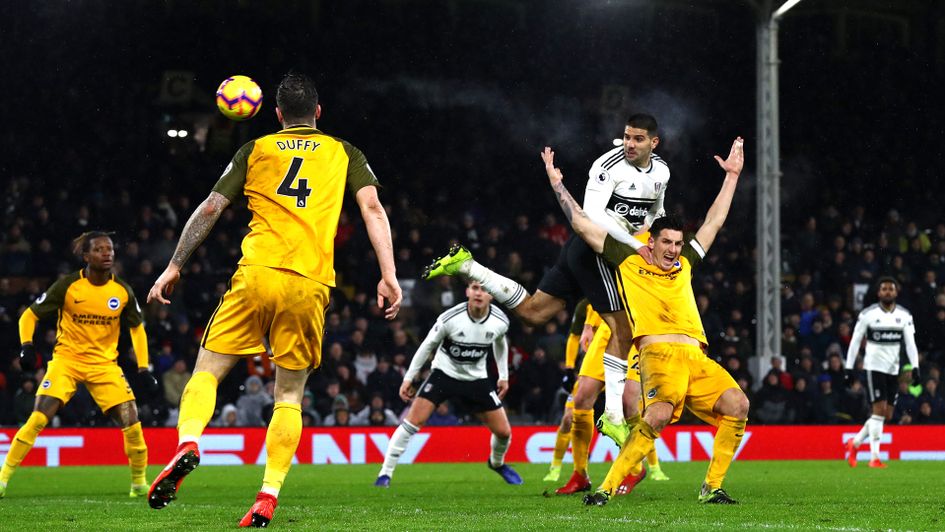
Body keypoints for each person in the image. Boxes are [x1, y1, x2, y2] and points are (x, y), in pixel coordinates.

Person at [146, 72, 402, 528]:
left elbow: (210, 207)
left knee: (207, 371)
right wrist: (388, 274)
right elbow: (373, 208)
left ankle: (187, 441)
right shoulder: (345, 152)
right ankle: (267, 494)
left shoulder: (256, 148)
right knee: (289, 393)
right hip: (309, 283)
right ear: (318, 112)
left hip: (256, 275)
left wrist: (174, 265)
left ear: (277, 113)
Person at [424, 115, 668, 430]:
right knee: (622, 329)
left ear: (654, 142)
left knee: (533, 314)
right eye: (626, 137)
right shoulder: (607, 166)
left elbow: (656, 210)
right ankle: (613, 416)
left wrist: (655, 234)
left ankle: (468, 266)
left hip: (585, 252)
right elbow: (591, 217)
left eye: (637, 139)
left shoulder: (661, 171)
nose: (629, 144)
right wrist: (635, 247)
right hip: (596, 250)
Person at [542, 137, 748, 506]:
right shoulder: (630, 261)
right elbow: (584, 226)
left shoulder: (685, 263)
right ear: (650, 241)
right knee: (656, 418)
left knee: (738, 405)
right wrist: (558, 185)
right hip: (659, 355)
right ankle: (604, 489)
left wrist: (731, 176)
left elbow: (715, 221)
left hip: (697, 359)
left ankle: (711, 487)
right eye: (666, 242)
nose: (672, 249)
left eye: (677, 243)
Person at [0, 231, 157, 498]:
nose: (107, 253)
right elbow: (29, 315)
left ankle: (139, 483)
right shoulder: (68, 286)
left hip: (104, 365)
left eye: (109, 249)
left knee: (132, 421)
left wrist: (143, 367)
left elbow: (137, 329)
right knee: (38, 418)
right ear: (86, 256)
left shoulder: (122, 291)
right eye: (99, 249)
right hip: (67, 361)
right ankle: (3, 479)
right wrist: (26, 345)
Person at [375, 281, 522, 487]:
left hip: (476, 379)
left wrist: (503, 376)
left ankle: (497, 463)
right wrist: (409, 377)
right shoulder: (451, 318)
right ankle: (385, 474)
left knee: (504, 432)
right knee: (411, 422)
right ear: (467, 291)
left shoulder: (499, 321)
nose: (479, 293)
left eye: (484, 289)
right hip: (444, 374)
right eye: (475, 288)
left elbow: (499, 342)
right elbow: (427, 346)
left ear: (492, 295)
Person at [843, 277, 919, 468]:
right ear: (879, 293)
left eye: (890, 289)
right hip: (874, 368)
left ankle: (856, 442)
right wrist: (849, 368)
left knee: (888, 415)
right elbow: (854, 341)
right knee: (878, 411)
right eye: (884, 289)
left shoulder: (904, 316)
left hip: (893, 370)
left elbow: (910, 344)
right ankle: (874, 457)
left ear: (896, 292)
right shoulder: (868, 314)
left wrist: (915, 366)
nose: (887, 292)